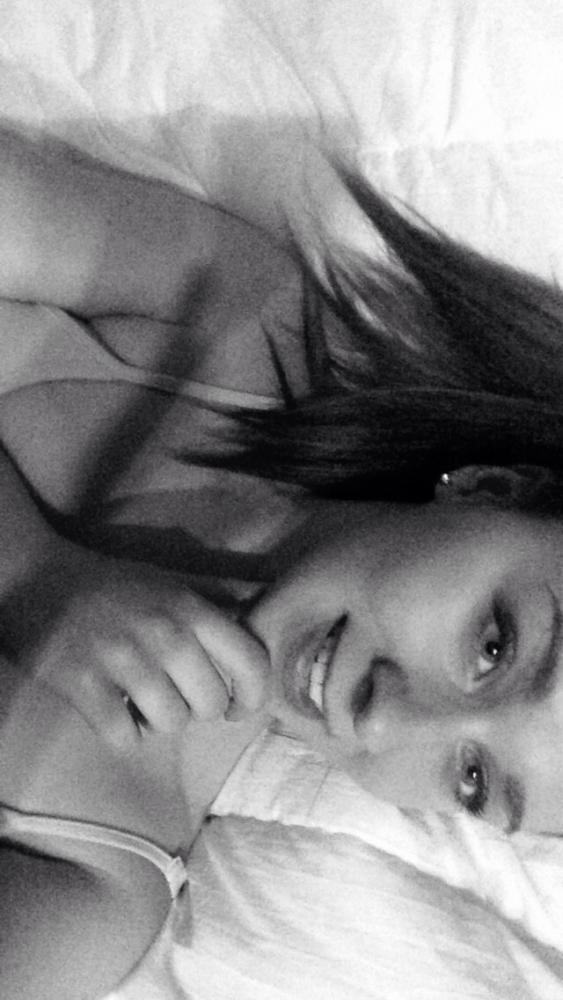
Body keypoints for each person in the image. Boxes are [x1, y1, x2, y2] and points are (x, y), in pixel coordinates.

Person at [2, 128, 563, 998]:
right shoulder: (239, 311)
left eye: (470, 778)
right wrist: (30, 573)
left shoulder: (98, 889)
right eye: (494, 646)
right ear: (493, 485)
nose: (387, 717)